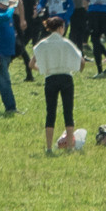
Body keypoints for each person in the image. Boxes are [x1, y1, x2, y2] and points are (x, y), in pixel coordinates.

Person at [34, 13, 84, 148]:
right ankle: (69, 146)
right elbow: (81, 60)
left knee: (50, 112)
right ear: (61, 27)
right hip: (66, 77)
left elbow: (32, 63)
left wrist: (43, 68)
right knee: (68, 112)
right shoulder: (66, 43)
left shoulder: (43, 44)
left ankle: (49, 146)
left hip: (50, 78)